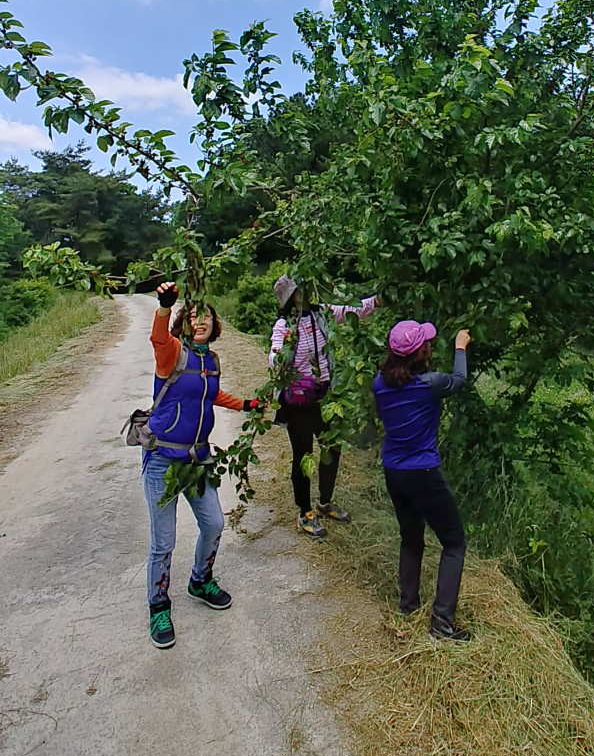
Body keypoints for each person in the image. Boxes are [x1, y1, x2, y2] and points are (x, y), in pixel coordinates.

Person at [143, 280, 262, 649]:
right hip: (163, 459)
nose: (201, 321)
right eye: (193, 316)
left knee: (214, 523)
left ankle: (199, 580)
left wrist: (244, 405)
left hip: (198, 458)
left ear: (215, 324)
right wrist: (164, 307)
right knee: (164, 541)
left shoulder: (211, 361)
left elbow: (210, 395)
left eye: (206, 316)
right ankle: (158, 605)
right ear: (184, 322)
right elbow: (158, 339)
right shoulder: (173, 352)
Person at [372, 319, 472, 642]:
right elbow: (459, 380)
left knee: (411, 538)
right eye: (427, 343)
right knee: (454, 542)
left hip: (394, 471)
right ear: (421, 353)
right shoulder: (431, 383)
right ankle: (442, 625)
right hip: (423, 472)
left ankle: (408, 608)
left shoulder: (378, 384)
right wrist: (460, 346)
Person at [269, 275, 380, 538]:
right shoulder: (284, 325)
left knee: (331, 445)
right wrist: (281, 353)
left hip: (325, 395)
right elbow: (274, 356)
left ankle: (325, 501)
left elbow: (353, 310)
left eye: (306, 287)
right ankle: (305, 511)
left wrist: (378, 300)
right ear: (290, 297)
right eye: (299, 290)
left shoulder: (323, 315)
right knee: (303, 454)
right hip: (298, 401)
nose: (305, 292)